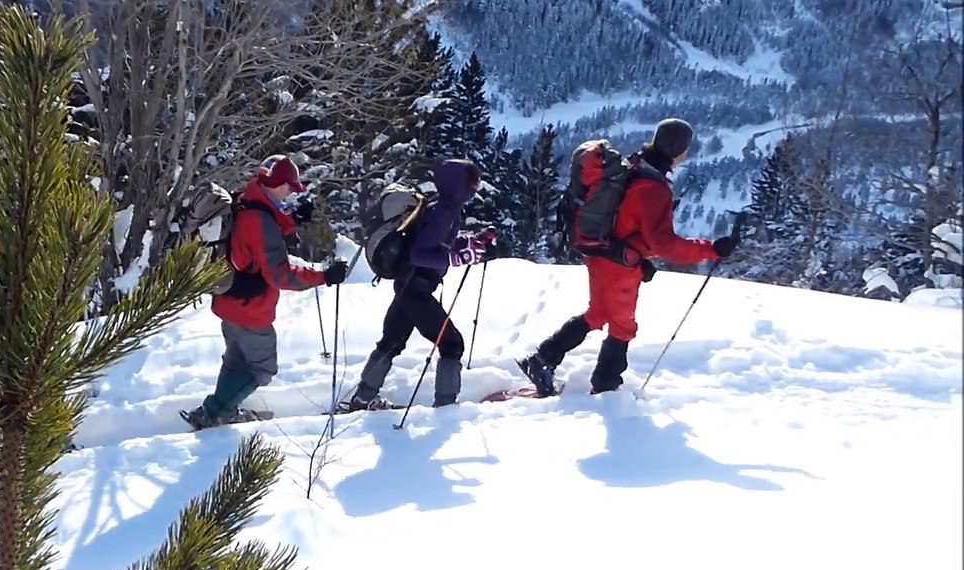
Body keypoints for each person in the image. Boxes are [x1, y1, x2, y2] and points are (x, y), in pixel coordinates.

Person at [517, 119, 739, 396]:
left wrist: (642, 255)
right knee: (623, 327)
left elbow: (625, 221)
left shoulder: (633, 166)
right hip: (618, 263)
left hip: (600, 251)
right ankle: (607, 389)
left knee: (598, 314)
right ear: (679, 149)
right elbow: (666, 244)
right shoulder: (653, 187)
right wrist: (711, 249)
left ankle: (541, 361)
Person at [183, 154, 349, 429]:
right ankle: (214, 414)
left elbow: (256, 233)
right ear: (280, 184)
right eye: (290, 187)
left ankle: (220, 409)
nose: (291, 193)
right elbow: (280, 273)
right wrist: (324, 276)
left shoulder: (244, 199)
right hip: (251, 309)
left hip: (228, 299)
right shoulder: (259, 219)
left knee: (236, 361)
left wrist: (291, 219)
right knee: (262, 369)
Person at [339, 158, 496, 412]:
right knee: (452, 344)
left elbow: (434, 244)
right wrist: (456, 258)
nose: (475, 188)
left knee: (391, 342)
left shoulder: (439, 207)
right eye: (471, 183)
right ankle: (446, 409)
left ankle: (362, 399)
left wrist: (471, 243)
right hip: (417, 290)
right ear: (458, 185)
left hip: (407, 286)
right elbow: (420, 254)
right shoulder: (444, 212)